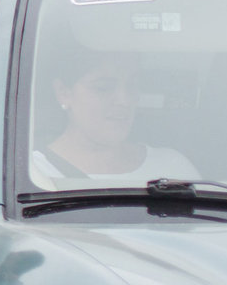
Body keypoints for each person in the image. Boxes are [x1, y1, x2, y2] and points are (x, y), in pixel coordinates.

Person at [27, 47, 197, 189]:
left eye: (132, 85)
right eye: (103, 88)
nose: (124, 100)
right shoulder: (33, 173)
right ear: (63, 93)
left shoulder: (172, 167)